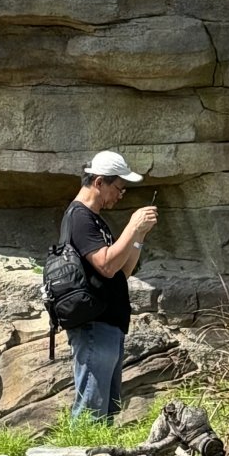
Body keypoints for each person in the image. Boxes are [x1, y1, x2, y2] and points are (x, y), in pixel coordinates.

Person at [59, 148, 158, 420]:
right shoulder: (79, 216)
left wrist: (138, 235)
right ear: (99, 182)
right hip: (94, 324)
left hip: (108, 324)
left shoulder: (95, 220)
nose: (120, 195)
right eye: (119, 187)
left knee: (107, 411)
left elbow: (121, 271)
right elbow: (106, 264)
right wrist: (131, 225)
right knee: (91, 409)